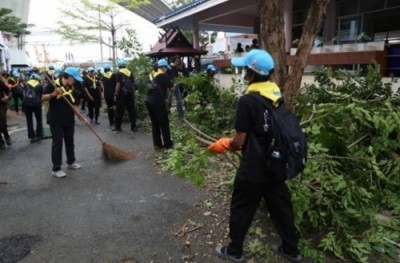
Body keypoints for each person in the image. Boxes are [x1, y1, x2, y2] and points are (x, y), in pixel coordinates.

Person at [208, 49, 301, 263]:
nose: (243, 72)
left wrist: (225, 144)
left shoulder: (247, 101)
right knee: (281, 207)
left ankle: (235, 251)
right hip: (276, 164)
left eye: (244, 69)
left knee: (242, 207)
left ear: (250, 73)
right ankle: (291, 250)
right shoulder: (277, 95)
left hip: (254, 168)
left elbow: (239, 141)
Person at [42, 67, 84, 178]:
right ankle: (56, 169)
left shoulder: (72, 88)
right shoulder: (52, 85)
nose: (75, 81)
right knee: (57, 143)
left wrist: (80, 116)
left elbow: (74, 104)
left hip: (69, 119)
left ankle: (71, 162)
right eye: (74, 78)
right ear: (67, 77)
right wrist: (53, 94)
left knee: (70, 141)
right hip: (55, 120)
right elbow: (42, 98)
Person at [145, 59, 174, 149]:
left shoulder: (151, 74)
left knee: (155, 123)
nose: (166, 70)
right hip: (158, 102)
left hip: (148, 101)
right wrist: (176, 84)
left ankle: (157, 144)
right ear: (163, 67)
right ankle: (168, 144)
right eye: (166, 68)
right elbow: (172, 88)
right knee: (164, 123)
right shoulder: (163, 75)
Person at [112, 59, 137, 133]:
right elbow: (133, 84)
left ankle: (118, 127)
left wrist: (115, 94)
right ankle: (133, 127)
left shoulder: (119, 73)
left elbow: (118, 85)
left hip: (121, 95)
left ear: (119, 66)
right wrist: (133, 93)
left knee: (119, 111)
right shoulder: (130, 73)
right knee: (132, 111)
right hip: (130, 94)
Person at [23, 73, 44, 143]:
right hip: (37, 104)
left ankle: (31, 136)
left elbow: (24, 93)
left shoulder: (26, 84)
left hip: (27, 104)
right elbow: (41, 96)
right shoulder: (40, 85)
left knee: (29, 120)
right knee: (39, 119)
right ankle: (39, 135)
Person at [0, 73, 12, 149]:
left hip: (1, 105)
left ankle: (7, 136)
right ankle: (1, 141)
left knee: (2, 123)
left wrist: (8, 97)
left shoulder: (1, 83)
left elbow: (8, 91)